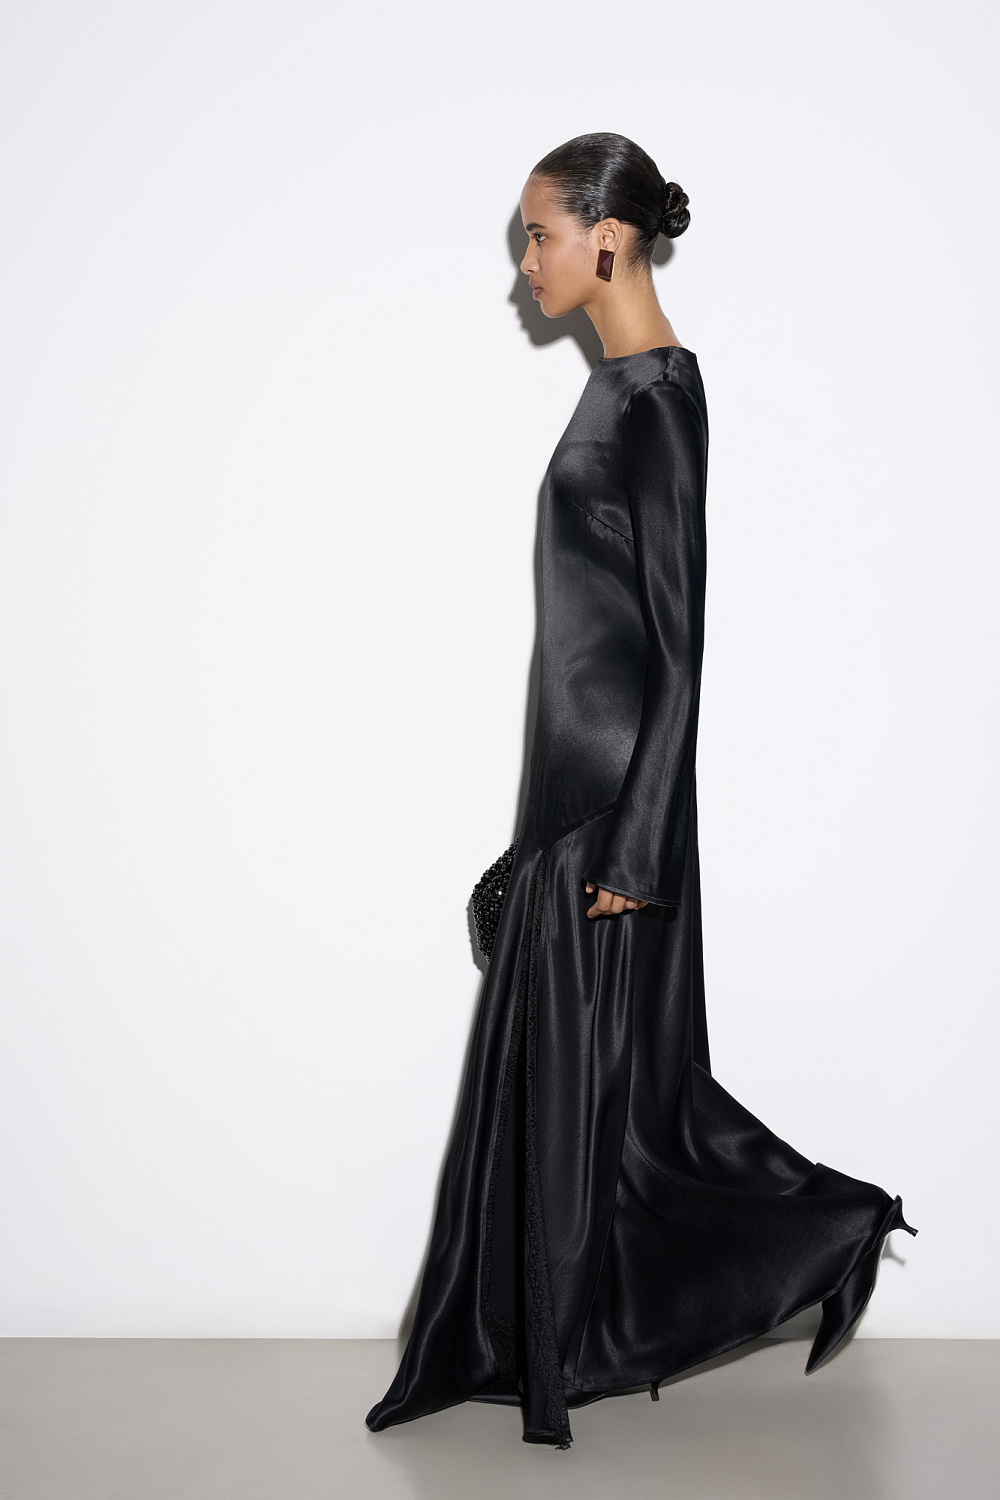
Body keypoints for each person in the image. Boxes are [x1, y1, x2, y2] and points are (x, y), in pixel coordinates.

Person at [365, 131, 913, 1450]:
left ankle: (827, 1229)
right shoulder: (618, 391)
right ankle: (547, 1341)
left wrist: (639, 840)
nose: (526, 262)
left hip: (616, 813)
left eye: (539, 234)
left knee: (624, 1107)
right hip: (578, 798)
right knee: (600, 1106)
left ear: (607, 238)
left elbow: (681, 642)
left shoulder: (660, 397)